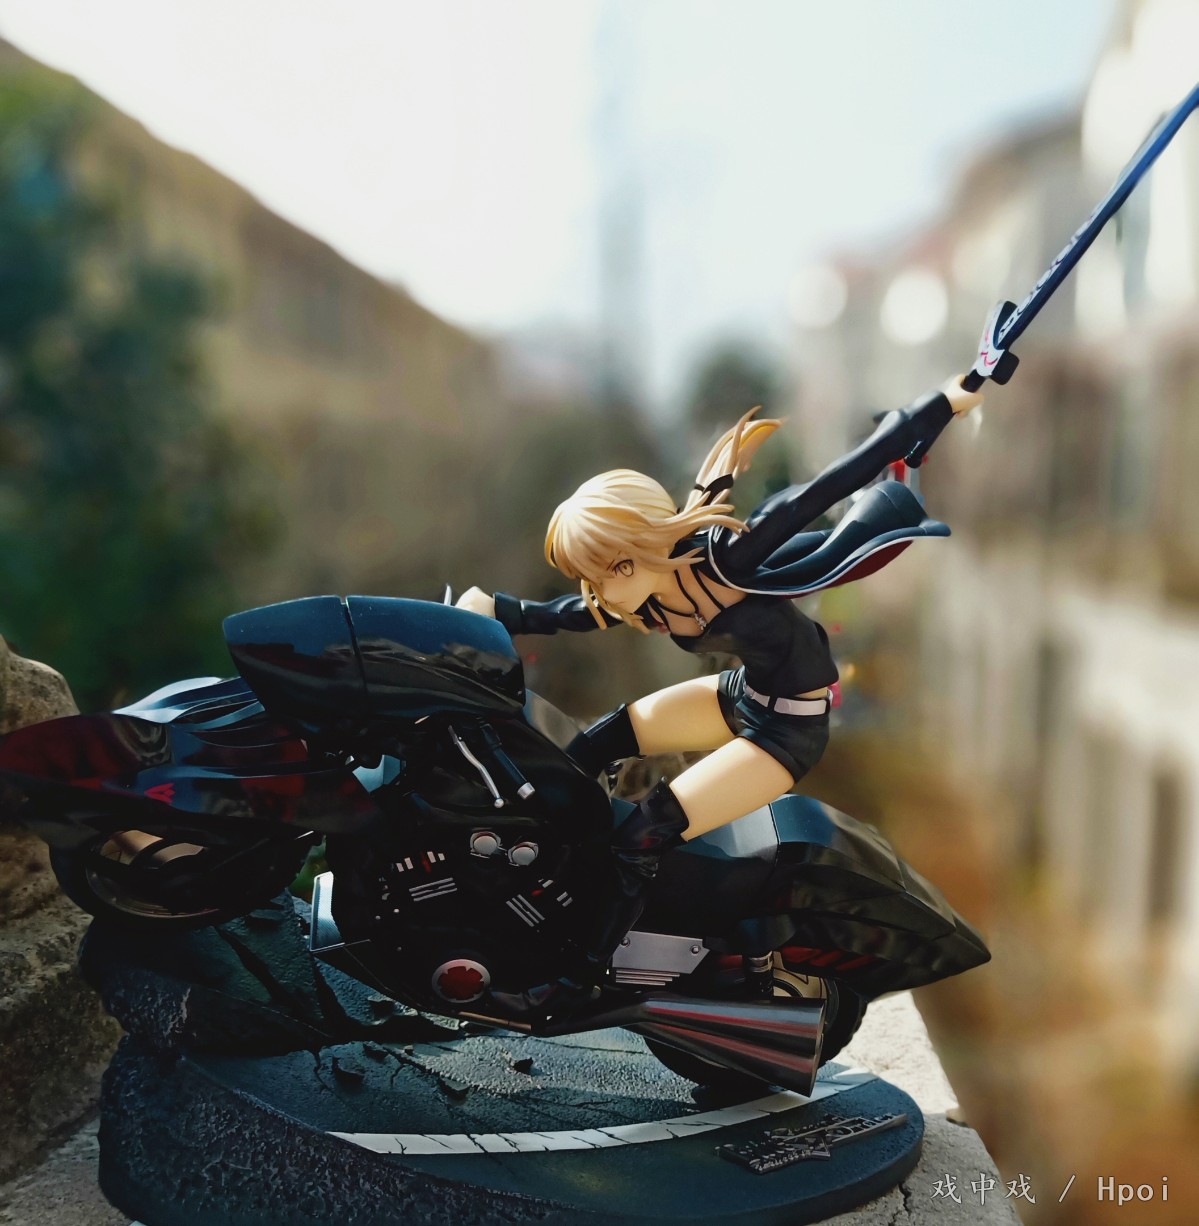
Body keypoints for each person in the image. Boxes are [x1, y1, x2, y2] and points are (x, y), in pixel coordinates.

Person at [458, 374, 982, 1014]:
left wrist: (941, 405)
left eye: (609, 571)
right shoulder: (646, 597)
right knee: (595, 743)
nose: (602, 592)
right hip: (743, 696)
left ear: (638, 551)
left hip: (787, 730)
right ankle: (540, 889)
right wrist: (500, 611)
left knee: (644, 834)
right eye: (591, 577)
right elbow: (577, 614)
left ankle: (577, 978)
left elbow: (830, 485)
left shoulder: (727, 561)